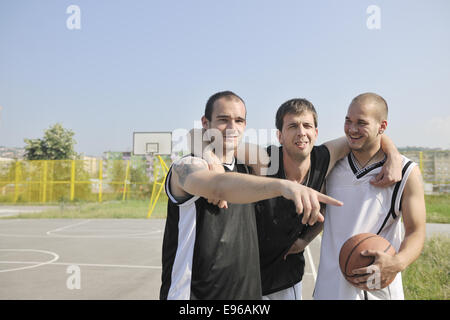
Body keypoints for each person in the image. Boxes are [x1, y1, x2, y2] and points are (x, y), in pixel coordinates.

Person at [194, 98, 403, 300]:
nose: (301, 132)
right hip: (243, 274)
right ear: (280, 136)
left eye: (307, 125)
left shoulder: (325, 157)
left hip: (285, 277)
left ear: (316, 132)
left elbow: (370, 133)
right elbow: (198, 135)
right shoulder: (265, 160)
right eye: (293, 126)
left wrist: (393, 155)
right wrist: (209, 156)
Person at [159, 91, 342, 300]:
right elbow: (218, 186)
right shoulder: (188, 166)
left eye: (238, 120)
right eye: (222, 120)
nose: (231, 127)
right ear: (205, 123)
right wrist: (285, 186)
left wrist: (390, 151)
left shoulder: (247, 169)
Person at [314, 92, 426, 300]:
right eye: (348, 120)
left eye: (361, 123)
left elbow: (416, 231)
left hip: (377, 291)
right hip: (329, 289)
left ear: (382, 127)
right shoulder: (331, 165)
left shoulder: (406, 172)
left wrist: (398, 262)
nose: (352, 129)